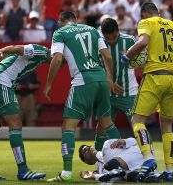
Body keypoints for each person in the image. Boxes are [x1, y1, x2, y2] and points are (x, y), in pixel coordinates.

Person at [121, 2, 173, 182]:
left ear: (144, 14)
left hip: (155, 76)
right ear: (158, 12)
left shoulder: (147, 23)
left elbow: (142, 43)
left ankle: (148, 159)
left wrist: (126, 57)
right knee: (167, 126)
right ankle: (169, 170)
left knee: (137, 120)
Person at [44, 11, 121, 183]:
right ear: (76, 19)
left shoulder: (60, 32)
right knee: (107, 123)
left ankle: (66, 173)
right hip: (101, 79)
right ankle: (123, 162)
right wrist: (109, 77)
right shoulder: (93, 30)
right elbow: (107, 56)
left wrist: (48, 83)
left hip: (82, 81)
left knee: (68, 127)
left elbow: (56, 59)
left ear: (60, 21)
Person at [0, 44, 50, 180]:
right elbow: (17, 48)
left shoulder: (36, 57)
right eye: (62, 61)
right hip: (2, 83)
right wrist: (0, 50)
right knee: (16, 124)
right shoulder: (41, 52)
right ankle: (23, 170)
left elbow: (13, 55)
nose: (61, 65)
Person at [94, 17, 138, 153]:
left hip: (128, 92)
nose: (112, 41)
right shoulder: (98, 44)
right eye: (108, 39)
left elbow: (140, 62)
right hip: (107, 94)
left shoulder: (130, 41)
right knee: (101, 126)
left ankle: (147, 159)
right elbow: (95, 66)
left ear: (118, 31)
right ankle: (100, 161)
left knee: (138, 126)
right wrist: (108, 81)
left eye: (114, 37)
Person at [79, 138, 166, 183]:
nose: (87, 148)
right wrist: (94, 176)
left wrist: (125, 141)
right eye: (84, 151)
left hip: (143, 153)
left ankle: (118, 167)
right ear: (88, 162)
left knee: (111, 165)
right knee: (127, 176)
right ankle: (155, 175)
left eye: (88, 146)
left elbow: (135, 141)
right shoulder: (100, 169)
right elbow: (109, 178)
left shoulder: (107, 145)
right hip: (137, 166)